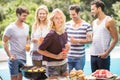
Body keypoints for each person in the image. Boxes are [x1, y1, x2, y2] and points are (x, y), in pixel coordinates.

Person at [37, 8, 69, 78]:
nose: (59, 20)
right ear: (52, 20)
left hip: (64, 64)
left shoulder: (64, 32)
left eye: (61, 18)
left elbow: (62, 48)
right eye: (56, 18)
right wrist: (56, 56)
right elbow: (40, 50)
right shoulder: (51, 34)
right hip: (53, 66)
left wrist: (68, 49)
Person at [2, 6, 29, 80]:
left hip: (23, 57)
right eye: (24, 15)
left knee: (20, 77)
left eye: (26, 15)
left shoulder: (27, 27)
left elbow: (27, 39)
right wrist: (9, 55)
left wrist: (28, 45)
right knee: (14, 78)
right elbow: (4, 41)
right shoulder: (10, 28)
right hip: (14, 58)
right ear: (18, 15)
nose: (25, 17)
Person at [90, 0, 118, 72]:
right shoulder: (94, 22)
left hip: (103, 56)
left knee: (104, 78)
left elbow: (115, 39)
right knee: (94, 77)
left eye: (93, 9)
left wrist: (107, 53)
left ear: (99, 8)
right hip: (93, 55)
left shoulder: (109, 21)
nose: (91, 11)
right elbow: (93, 38)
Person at [66, 5, 92, 72]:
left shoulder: (87, 25)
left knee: (79, 77)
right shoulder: (66, 25)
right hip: (68, 57)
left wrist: (77, 41)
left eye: (74, 14)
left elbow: (90, 40)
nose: (72, 17)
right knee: (67, 77)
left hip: (80, 58)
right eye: (71, 15)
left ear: (79, 13)